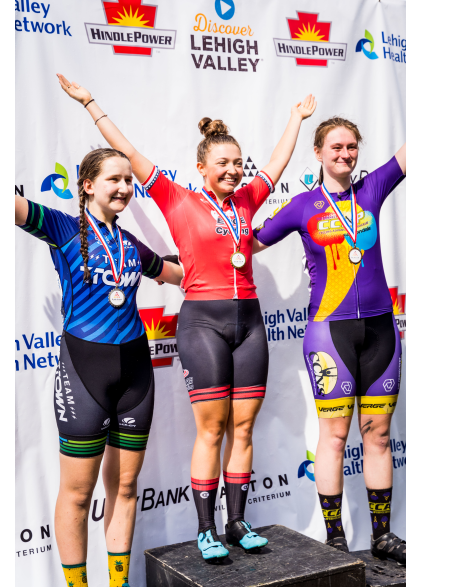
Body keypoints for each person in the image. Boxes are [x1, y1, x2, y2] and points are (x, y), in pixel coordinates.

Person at [56, 73, 316, 562]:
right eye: (224, 163)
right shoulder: (176, 197)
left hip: (251, 321)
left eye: (239, 164)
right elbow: (128, 152)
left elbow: (278, 165)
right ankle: (204, 529)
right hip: (202, 321)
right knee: (212, 428)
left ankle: (237, 521)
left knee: (244, 428)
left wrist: (295, 120)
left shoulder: (247, 200)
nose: (235, 171)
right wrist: (92, 103)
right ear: (202, 167)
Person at [15, 148, 184, 587]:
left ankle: (118, 583)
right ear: (88, 185)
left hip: (136, 375)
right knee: (76, 494)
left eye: (129, 180)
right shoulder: (62, 227)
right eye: (115, 179)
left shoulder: (130, 244)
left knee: (125, 489)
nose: (125, 188)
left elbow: (176, 273)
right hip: (84, 373)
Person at [253, 118, 407, 565]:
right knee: (335, 437)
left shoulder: (373, 188)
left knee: (377, 436)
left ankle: (383, 536)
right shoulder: (302, 207)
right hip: (329, 335)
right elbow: (252, 242)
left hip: (381, 333)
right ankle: (335, 538)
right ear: (318, 152)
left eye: (352, 147)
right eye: (336, 147)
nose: (345, 154)